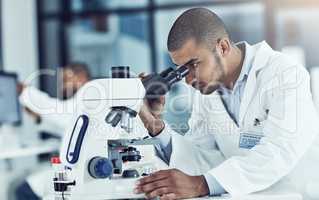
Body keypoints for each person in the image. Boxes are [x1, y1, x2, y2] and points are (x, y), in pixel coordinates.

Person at [136, 8, 319, 200]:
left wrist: (201, 184)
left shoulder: (285, 73)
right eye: (181, 70)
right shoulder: (207, 92)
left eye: (194, 64)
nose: (188, 80)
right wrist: (154, 124)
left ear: (222, 47)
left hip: (303, 192)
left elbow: (280, 149)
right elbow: (201, 159)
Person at [15, 62, 91, 200]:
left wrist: (25, 92)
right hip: (81, 169)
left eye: (66, 80)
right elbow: (66, 124)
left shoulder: (87, 95)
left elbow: (60, 112)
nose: (63, 86)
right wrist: (39, 118)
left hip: (79, 173)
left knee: (24, 190)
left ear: (81, 76)